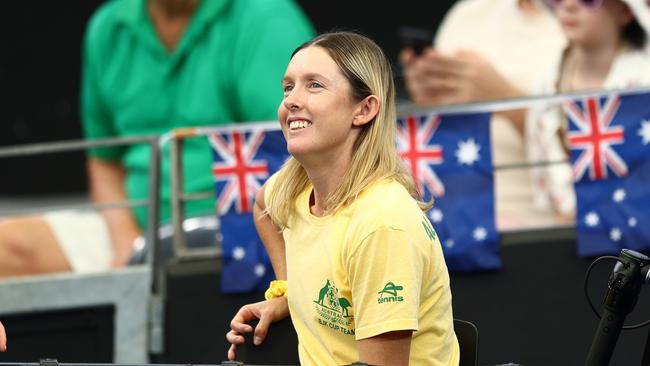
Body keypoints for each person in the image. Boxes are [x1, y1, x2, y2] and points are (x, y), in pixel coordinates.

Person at [0, 0, 314, 277]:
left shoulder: (266, 17)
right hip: (134, 225)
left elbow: (301, 146)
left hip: (244, 227)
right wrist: (129, 244)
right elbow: (104, 162)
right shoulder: (108, 27)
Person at [226, 32, 459, 366]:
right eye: (288, 87)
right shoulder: (294, 188)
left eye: (314, 85)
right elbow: (264, 206)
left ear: (364, 109)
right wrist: (287, 292)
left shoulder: (382, 225)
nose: (291, 100)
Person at [400, 0, 568, 230]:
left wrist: (503, 98)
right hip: (464, 228)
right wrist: (428, 92)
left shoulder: (586, 17)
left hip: (546, 228)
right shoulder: (468, 14)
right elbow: (440, 131)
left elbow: (594, 143)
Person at [526, 0, 650, 219]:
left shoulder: (645, 80)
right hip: (564, 237)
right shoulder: (545, 86)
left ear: (625, 11)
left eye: (588, 0)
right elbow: (541, 186)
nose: (569, 6)